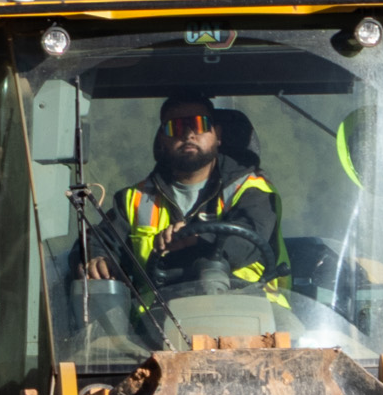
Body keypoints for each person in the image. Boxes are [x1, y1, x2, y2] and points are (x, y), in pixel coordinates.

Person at [84, 93, 283, 300]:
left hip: (252, 314)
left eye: (199, 124)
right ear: (162, 139)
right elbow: (98, 241)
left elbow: (246, 242)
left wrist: (196, 239)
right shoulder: (132, 199)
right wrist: (98, 258)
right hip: (159, 320)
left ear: (218, 135)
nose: (188, 134)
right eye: (175, 127)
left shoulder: (254, 190)